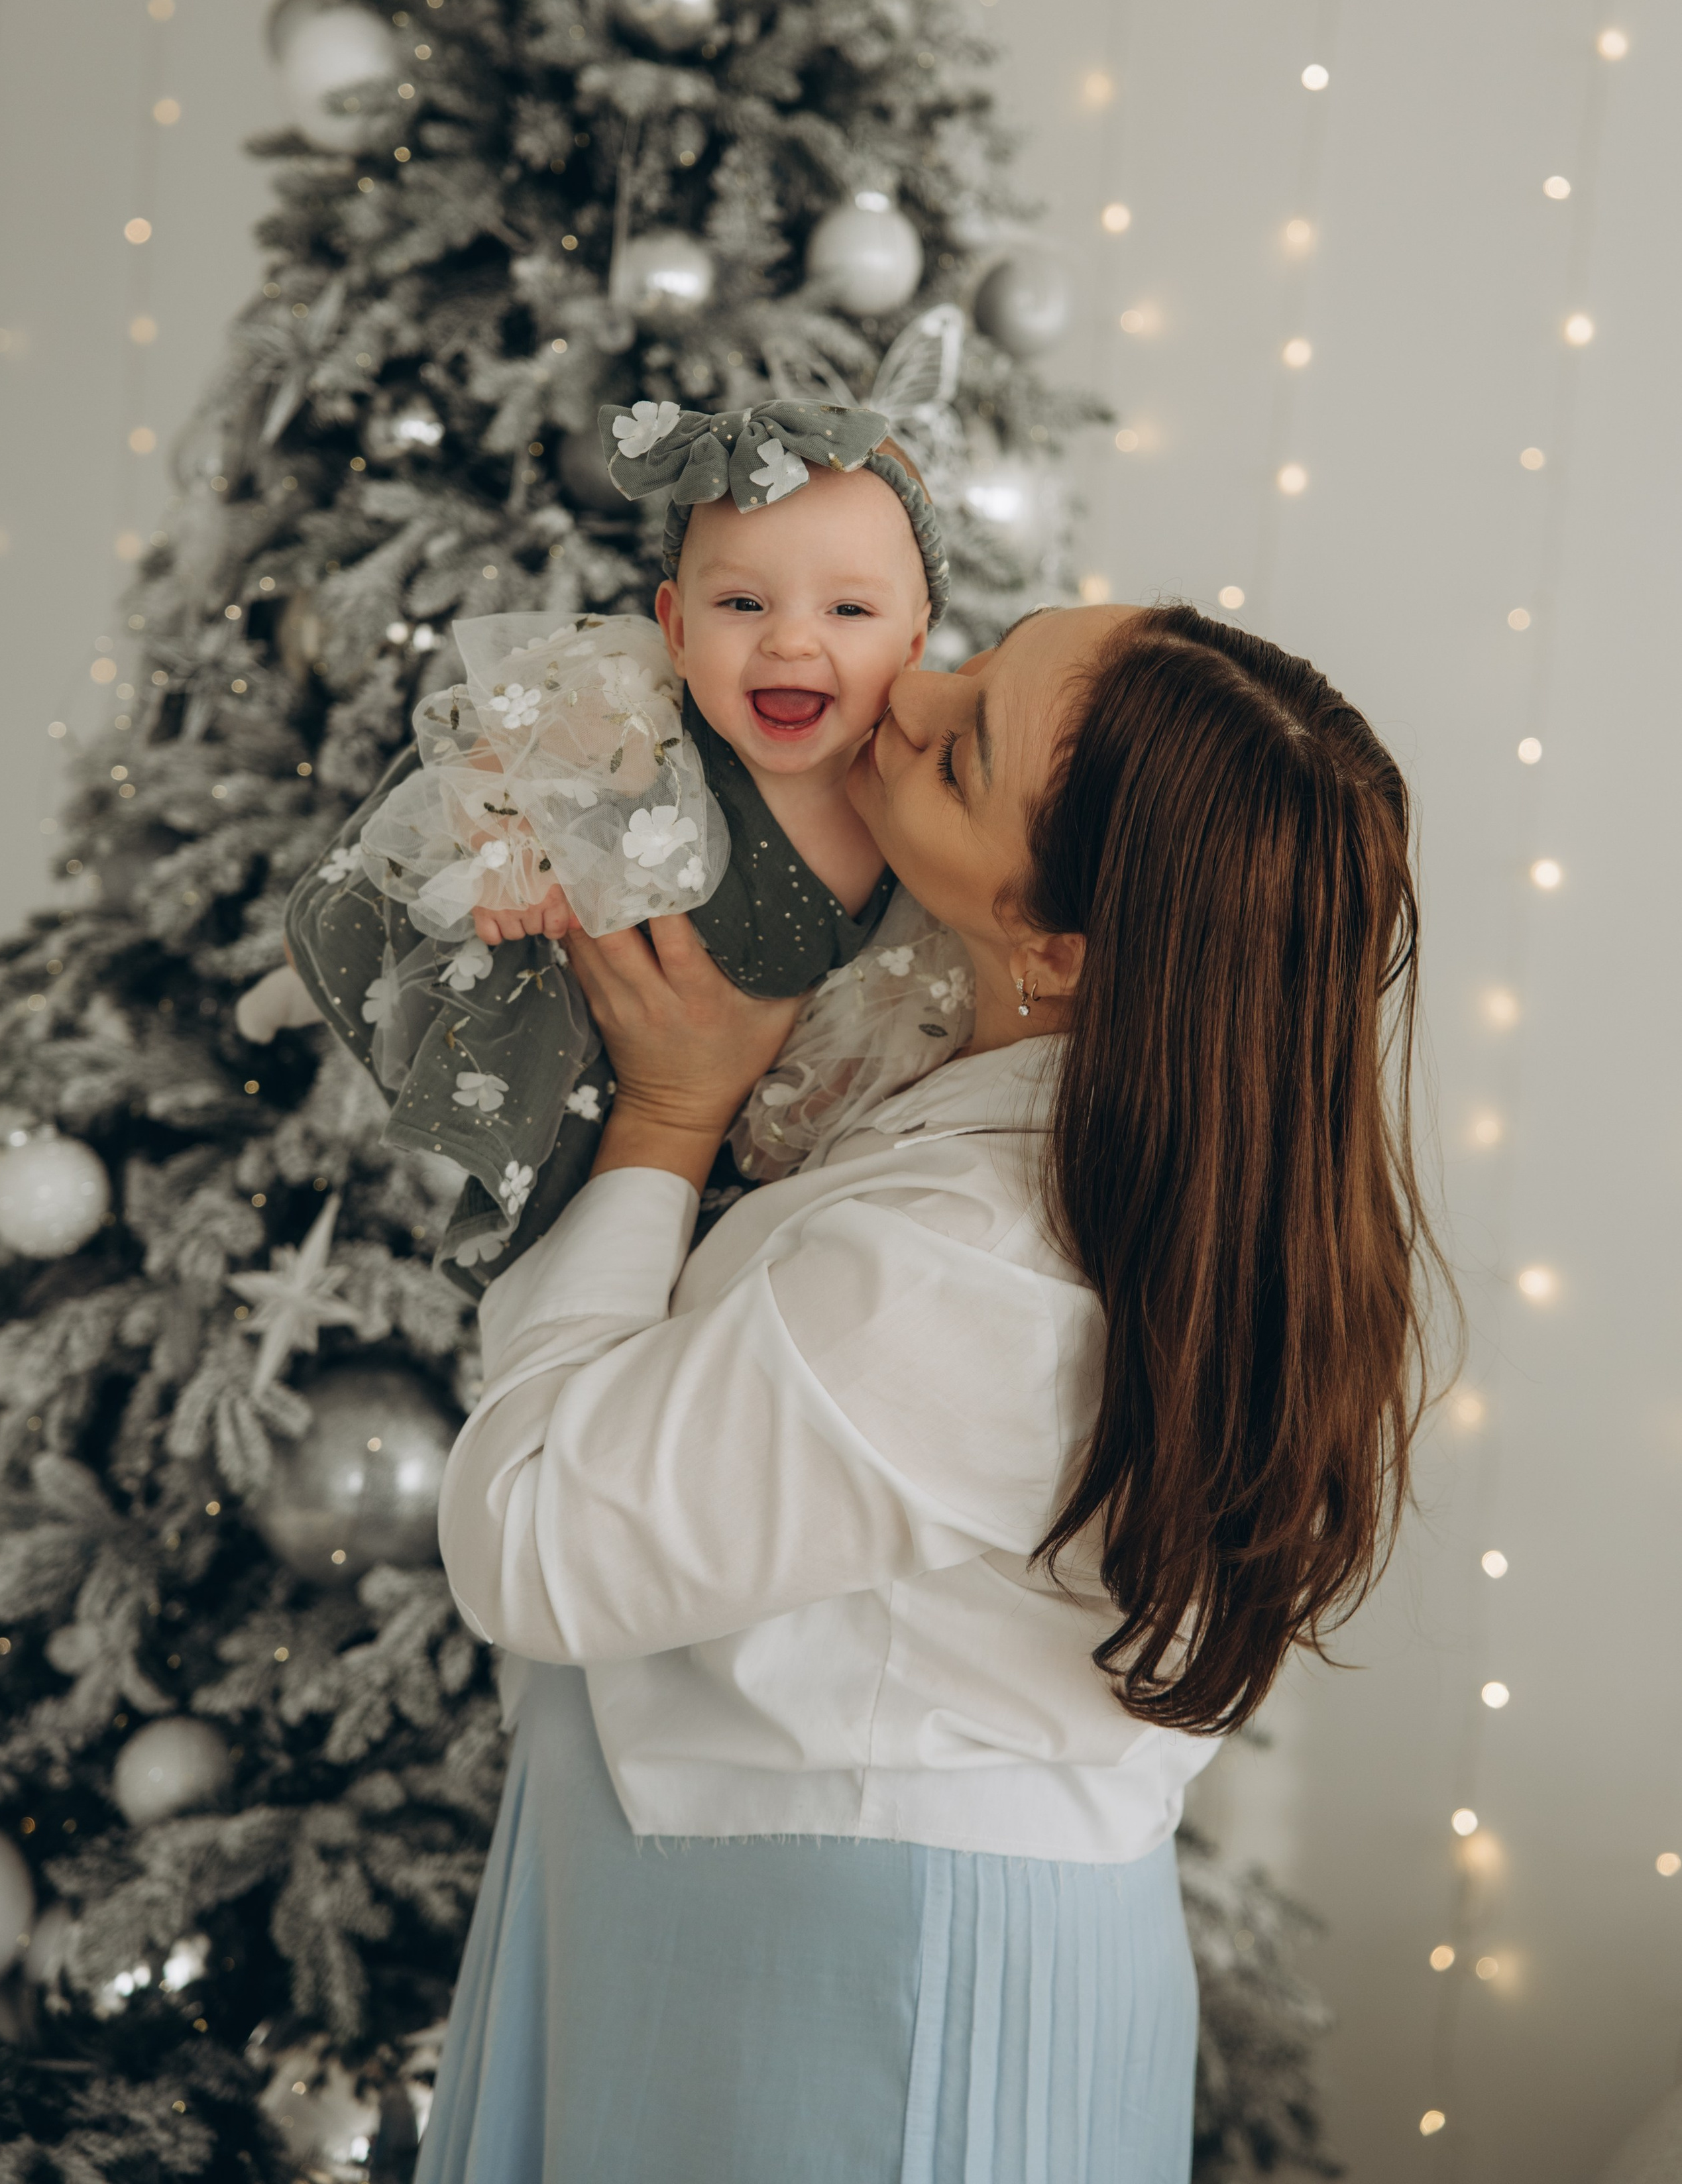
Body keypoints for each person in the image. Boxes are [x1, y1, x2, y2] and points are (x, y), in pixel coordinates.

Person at [416, 598, 1438, 2184]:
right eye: (979, 652)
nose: (909, 691)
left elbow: (535, 1540)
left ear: (1058, 948)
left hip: (858, 1991)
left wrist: (668, 1120)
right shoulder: (1140, 1164)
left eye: (963, 751)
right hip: (836, 1922)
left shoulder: (975, 1264)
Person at [280, 398, 960, 1288]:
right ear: (676, 628)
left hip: (718, 1080)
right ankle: (292, 983)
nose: (792, 640)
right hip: (566, 999)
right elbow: (490, 753)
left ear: (912, 646)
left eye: (849, 609)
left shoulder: (916, 793)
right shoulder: (640, 715)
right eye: (743, 602)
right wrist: (507, 848)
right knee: (413, 942)